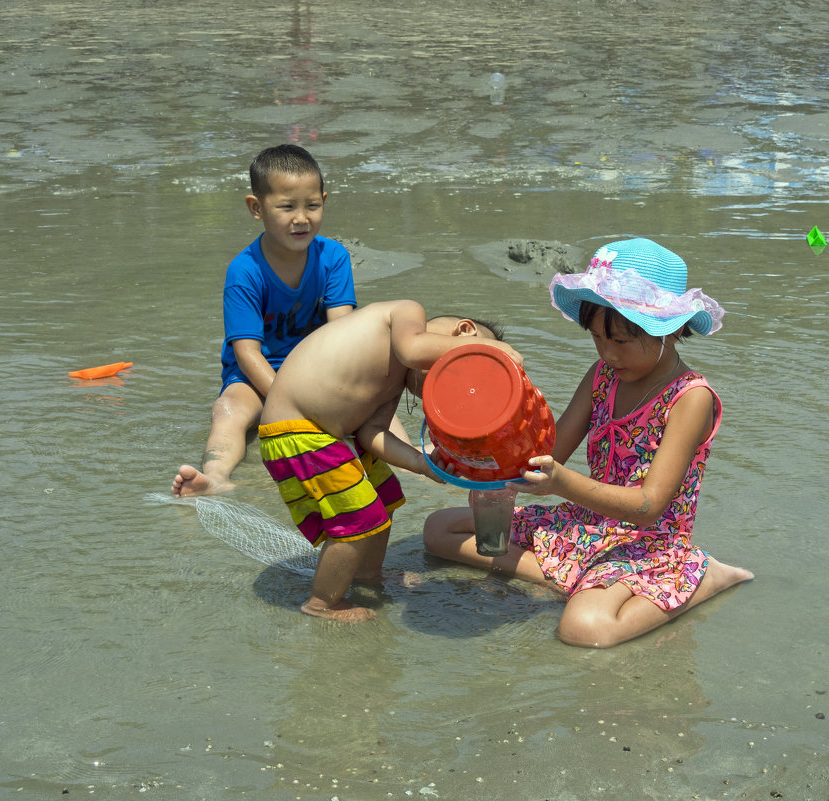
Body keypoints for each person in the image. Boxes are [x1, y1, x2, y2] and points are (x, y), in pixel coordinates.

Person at [423, 238, 753, 648]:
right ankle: (580, 579)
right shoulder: (602, 375)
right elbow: (548, 450)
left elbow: (649, 507)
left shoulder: (690, 397)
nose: (607, 352)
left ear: (668, 329)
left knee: (584, 629)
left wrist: (560, 483)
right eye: (597, 337)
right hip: (591, 526)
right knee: (439, 530)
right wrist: (475, 459)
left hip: (650, 543)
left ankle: (703, 577)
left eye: (620, 341)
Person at [259, 299, 522, 623]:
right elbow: (414, 349)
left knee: (385, 498)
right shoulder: (407, 313)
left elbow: (372, 433)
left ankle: (369, 574)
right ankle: (321, 602)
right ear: (463, 332)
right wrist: (493, 351)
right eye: (465, 372)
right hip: (297, 429)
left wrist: (422, 463)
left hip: (330, 435)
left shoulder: (395, 381)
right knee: (358, 516)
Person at [173, 144, 356, 497]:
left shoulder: (334, 257)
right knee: (228, 411)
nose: (301, 218)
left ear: (324, 200)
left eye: (312, 206)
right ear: (256, 208)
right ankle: (214, 475)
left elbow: (343, 336)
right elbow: (246, 353)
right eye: (287, 207)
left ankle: (414, 454)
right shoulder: (245, 270)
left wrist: (340, 394)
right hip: (256, 375)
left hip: (314, 368)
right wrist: (289, 402)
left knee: (368, 397)